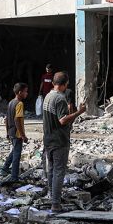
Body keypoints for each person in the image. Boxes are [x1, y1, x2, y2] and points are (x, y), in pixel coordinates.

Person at [41, 71, 86, 212]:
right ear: (65, 84)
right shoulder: (60, 99)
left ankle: (52, 196)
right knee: (59, 171)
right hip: (59, 140)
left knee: (52, 170)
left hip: (48, 138)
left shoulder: (48, 96)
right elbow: (62, 120)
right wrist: (79, 112)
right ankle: (55, 204)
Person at [0, 83, 29, 185]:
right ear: (20, 92)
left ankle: (4, 168)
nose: (27, 93)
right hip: (17, 134)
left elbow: (7, 119)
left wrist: (7, 132)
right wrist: (23, 135)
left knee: (14, 151)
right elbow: (17, 119)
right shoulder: (19, 104)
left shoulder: (11, 102)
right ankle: (14, 176)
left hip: (11, 132)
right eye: (25, 91)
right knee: (17, 155)